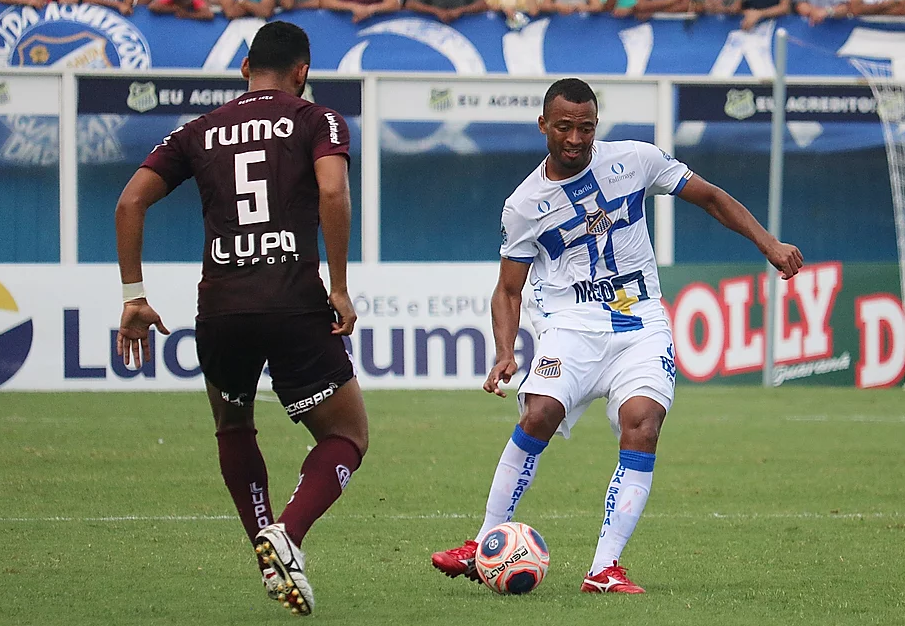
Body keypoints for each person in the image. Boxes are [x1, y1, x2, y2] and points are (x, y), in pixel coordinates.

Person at [431, 78, 802, 594]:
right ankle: (481, 543)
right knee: (538, 414)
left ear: (596, 125)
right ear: (543, 125)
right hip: (570, 328)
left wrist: (769, 242)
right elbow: (508, 290)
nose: (576, 138)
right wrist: (503, 351)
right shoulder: (523, 205)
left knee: (643, 424)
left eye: (585, 127)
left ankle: (604, 569)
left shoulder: (636, 160)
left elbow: (712, 198)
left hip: (640, 323)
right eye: (564, 127)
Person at [114, 22, 369, 616]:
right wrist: (340, 285)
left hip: (222, 309)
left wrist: (133, 296)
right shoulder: (317, 119)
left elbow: (130, 201)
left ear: (245, 66)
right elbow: (333, 193)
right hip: (292, 302)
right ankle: (287, 533)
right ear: (303, 72)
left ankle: (262, 537)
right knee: (347, 435)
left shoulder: (197, 130)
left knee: (234, 427)